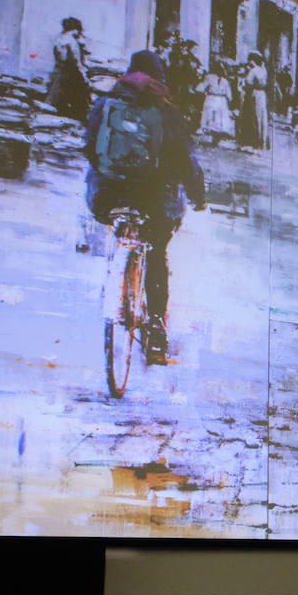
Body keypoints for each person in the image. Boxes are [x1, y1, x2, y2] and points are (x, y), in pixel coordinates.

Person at [84, 50, 205, 365]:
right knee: (156, 253)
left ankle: (118, 279)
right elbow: (185, 162)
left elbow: (89, 147)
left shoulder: (106, 104)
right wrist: (197, 195)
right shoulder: (167, 113)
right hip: (154, 202)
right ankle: (156, 331)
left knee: (121, 226)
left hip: (108, 197)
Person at [47, 17, 91, 122]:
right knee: (78, 103)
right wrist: (84, 75)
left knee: (58, 102)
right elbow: (75, 60)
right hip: (72, 74)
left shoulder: (59, 39)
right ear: (75, 29)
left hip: (60, 72)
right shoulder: (71, 41)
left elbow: (60, 57)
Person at [237, 52, 269, 151]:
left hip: (254, 94)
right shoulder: (263, 70)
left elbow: (248, 82)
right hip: (262, 94)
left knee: (254, 117)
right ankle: (262, 141)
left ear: (253, 60)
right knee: (262, 116)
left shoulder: (253, 71)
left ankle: (254, 141)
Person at [197, 63, 235, 143]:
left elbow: (200, 88)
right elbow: (229, 94)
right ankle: (216, 137)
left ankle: (211, 136)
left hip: (212, 98)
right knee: (218, 117)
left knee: (211, 116)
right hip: (222, 100)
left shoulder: (209, 77)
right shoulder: (225, 80)